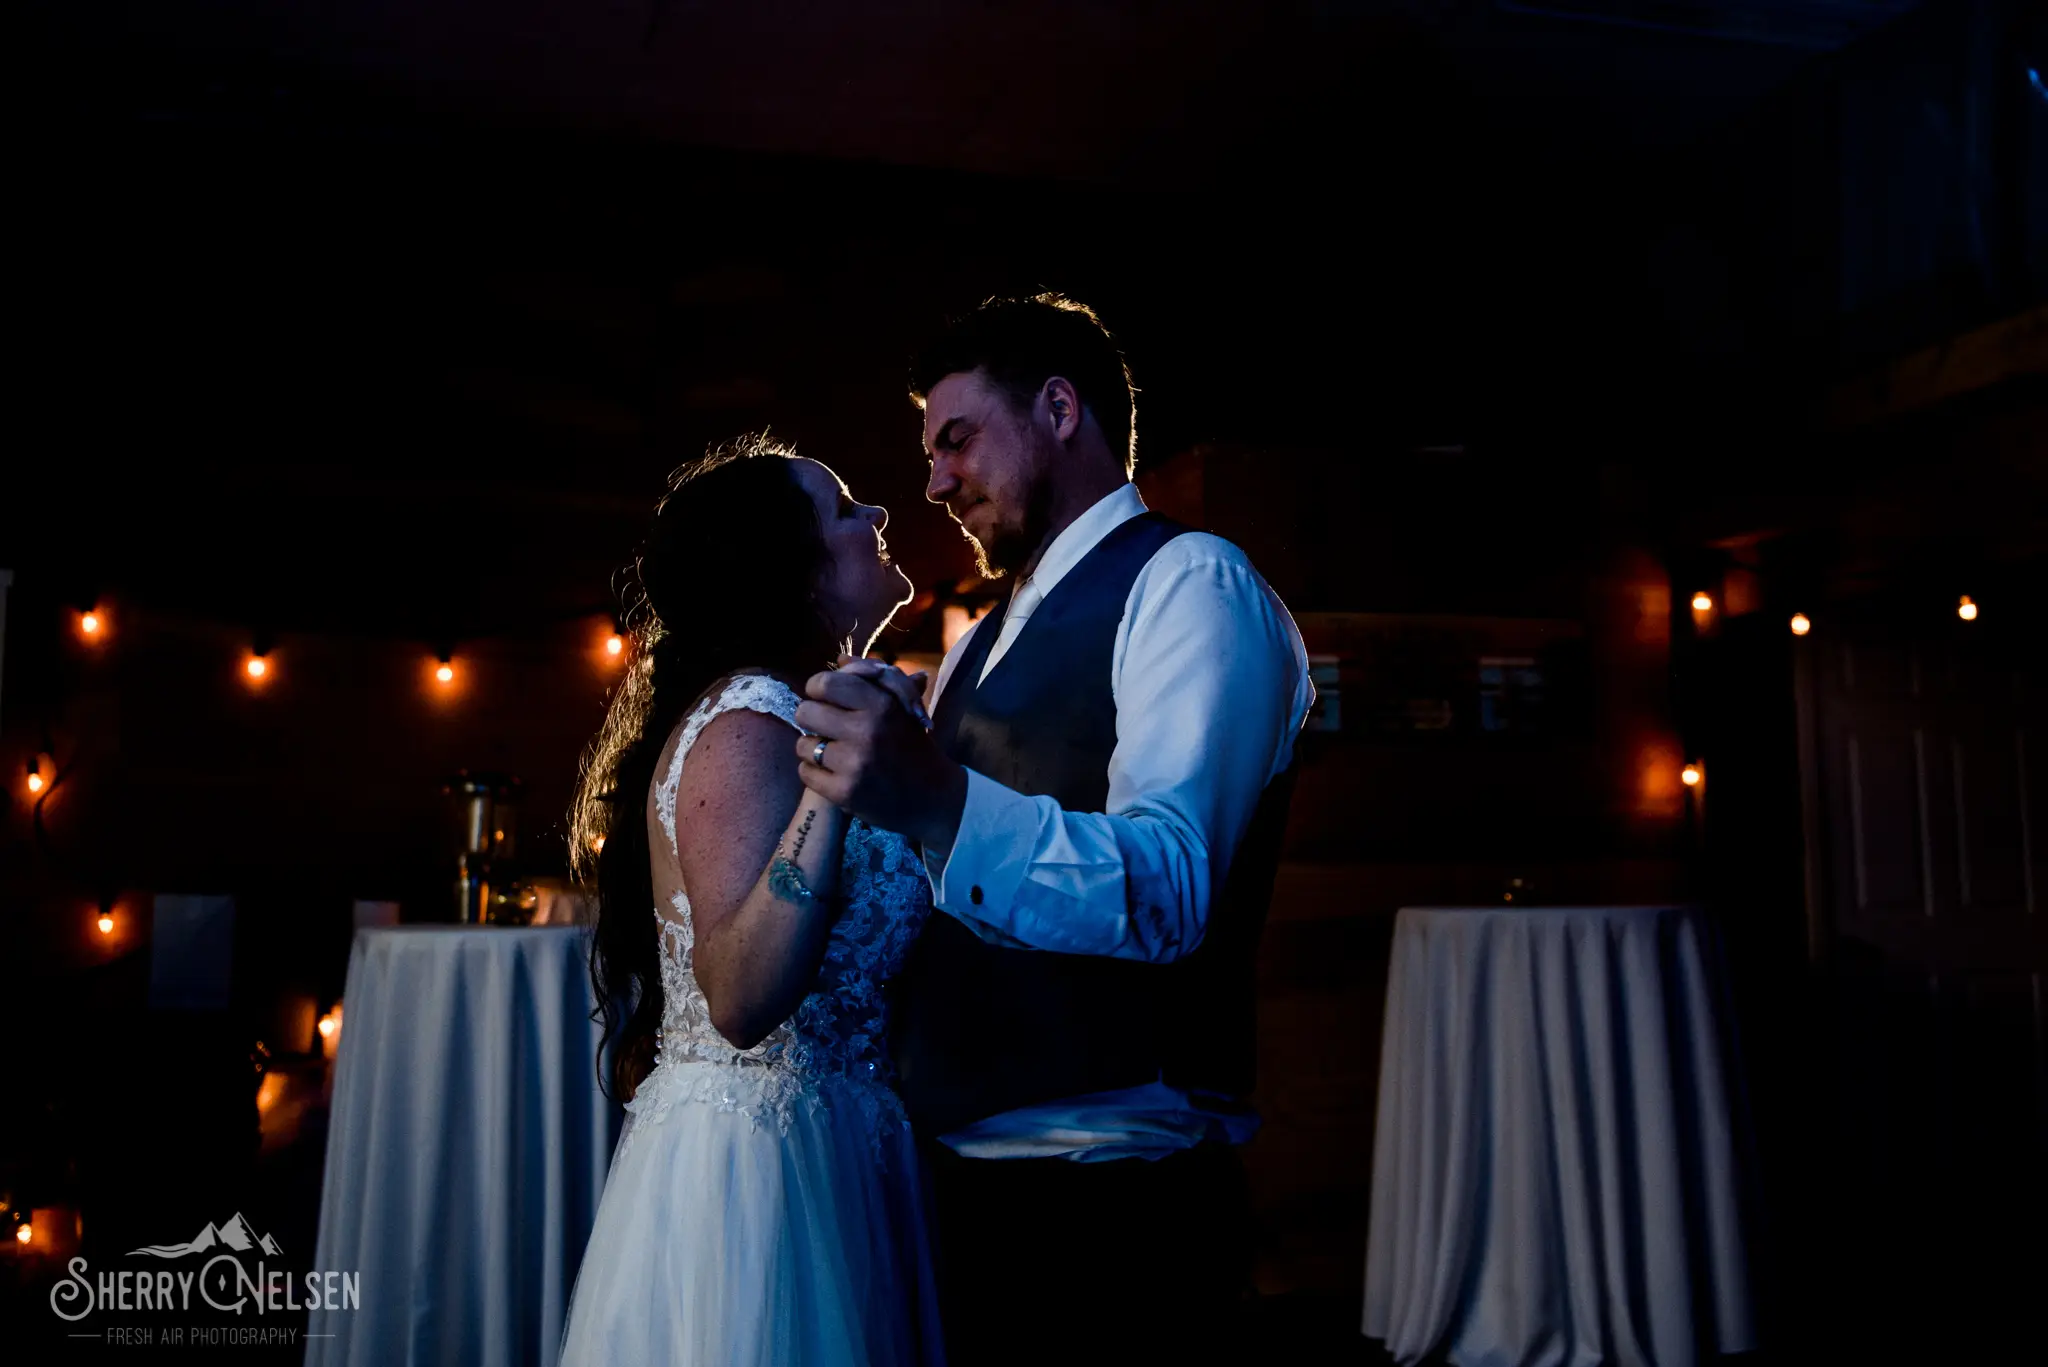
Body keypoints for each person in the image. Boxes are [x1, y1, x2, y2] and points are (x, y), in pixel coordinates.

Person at [793, 294, 1313, 1364]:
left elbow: (1167, 884)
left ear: (1060, 408)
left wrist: (935, 797)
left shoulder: (1188, 583)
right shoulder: (979, 639)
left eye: (956, 438)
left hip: (1105, 1202)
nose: (933, 481)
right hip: (952, 1180)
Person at [558, 434, 945, 1367]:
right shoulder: (751, 722)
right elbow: (737, 993)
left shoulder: (803, 707)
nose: (880, 516)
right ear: (794, 568)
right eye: (847, 509)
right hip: (760, 1174)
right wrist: (827, 787)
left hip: (846, 1144)